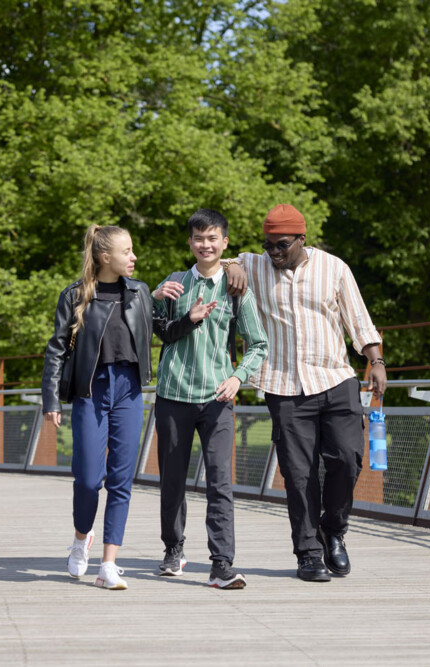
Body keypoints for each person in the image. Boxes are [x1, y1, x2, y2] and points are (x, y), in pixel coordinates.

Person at [223, 204, 387, 582]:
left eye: (281, 245)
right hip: (283, 385)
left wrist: (376, 361)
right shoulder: (255, 264)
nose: (274, 252)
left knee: (348, 459)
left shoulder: (335, 268)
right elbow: (223, 256)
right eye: (268, 245)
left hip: (335, 378)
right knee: (299, 475)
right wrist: (233, 263)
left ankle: (334, 530)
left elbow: (357, 319)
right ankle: (309, 553)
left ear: (301, 239)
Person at [151, 209, 268, 589]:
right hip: (173, 394)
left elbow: (259, 344)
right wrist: (180, 314)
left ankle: (221, 564)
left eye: (213, 238)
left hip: (218, 399)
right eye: (199, 238)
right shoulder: (173, 284)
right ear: (190, 242)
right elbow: (160, 333)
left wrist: (238, 378)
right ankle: (173, 549)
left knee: (220, 483)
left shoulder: (237, 290)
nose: (206, 244)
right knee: (172, 480)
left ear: (224, 243)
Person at [41, 224, 153, 590]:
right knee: (89, 479)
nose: (134, 257)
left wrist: (188, 316)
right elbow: (56, 349)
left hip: (129, 390)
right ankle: (80, 540)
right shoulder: (74, 295)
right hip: (91, 389)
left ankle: (109, 564)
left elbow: (162, 329)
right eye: (127, 252)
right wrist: (51, 399)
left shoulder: (140, 293)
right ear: (106, 257)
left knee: (121, 479)